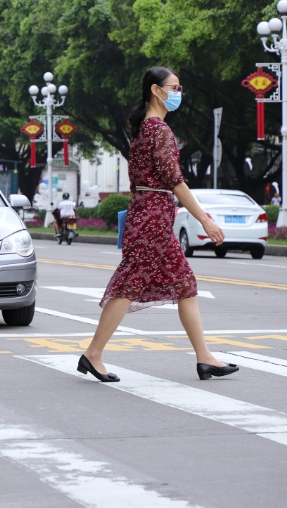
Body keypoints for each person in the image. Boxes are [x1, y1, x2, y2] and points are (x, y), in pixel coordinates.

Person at [79, 67, 238, 383]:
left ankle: (204, 357)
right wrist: (205, 219)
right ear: (156, 90)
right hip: (153, 216)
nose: (178, 93)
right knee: (130, 284)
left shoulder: (142, 130)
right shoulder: (159, 130)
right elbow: (175, 181)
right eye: (174, 87)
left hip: (149, 212)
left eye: (180, 87)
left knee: (184, 284)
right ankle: (93, 354)